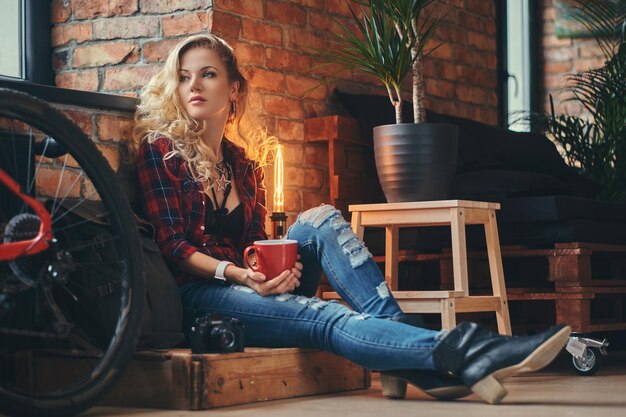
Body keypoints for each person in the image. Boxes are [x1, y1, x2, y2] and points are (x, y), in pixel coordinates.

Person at [131, 34, 571, 405]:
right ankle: (471, 350)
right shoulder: (161, 151)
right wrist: (241, 276)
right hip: (204, 296)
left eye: (207, 74)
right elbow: (174, 247)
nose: (194, 86)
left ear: (234, 90)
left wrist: (278, 273)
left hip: (250, 284)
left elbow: (254, 239)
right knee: (328, 316)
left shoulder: (242, 165)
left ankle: (405, 353)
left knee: (320, 218)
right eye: (184, 76)